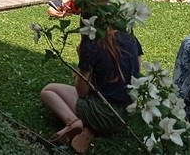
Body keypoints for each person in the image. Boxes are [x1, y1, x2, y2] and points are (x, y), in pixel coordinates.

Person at [40, 15, 142, 152]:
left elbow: (82, 92)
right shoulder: (129, 34)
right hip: (128, 114)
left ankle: (73, 122)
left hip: (103, 114)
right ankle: (91, 129)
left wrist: (82, 58)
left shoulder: (91, 45)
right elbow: (138, 68)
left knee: (48, 91)